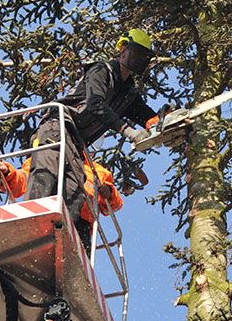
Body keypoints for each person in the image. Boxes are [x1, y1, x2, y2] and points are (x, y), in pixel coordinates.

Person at [23, 29, 158, 223]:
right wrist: (127, 131)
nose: (139, 60)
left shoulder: (128, 94)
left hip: (76, 144)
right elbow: (95, 104)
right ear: (123, 50)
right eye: (136, 54)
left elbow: (147, 116)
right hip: (58, 125)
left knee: (76, 188)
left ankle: (59, 233)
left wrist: (166, 121)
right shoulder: (102, 71)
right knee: (47, 170)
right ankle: (31, 221)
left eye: (144, 58)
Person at [0, 155, 124, 255]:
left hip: (80, 226)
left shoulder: (95, 170)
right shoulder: (44, 156)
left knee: (72, 268)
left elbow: (115, 206)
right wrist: (8, 172)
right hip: (46, 214)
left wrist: (109, 191)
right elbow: (22, 181)